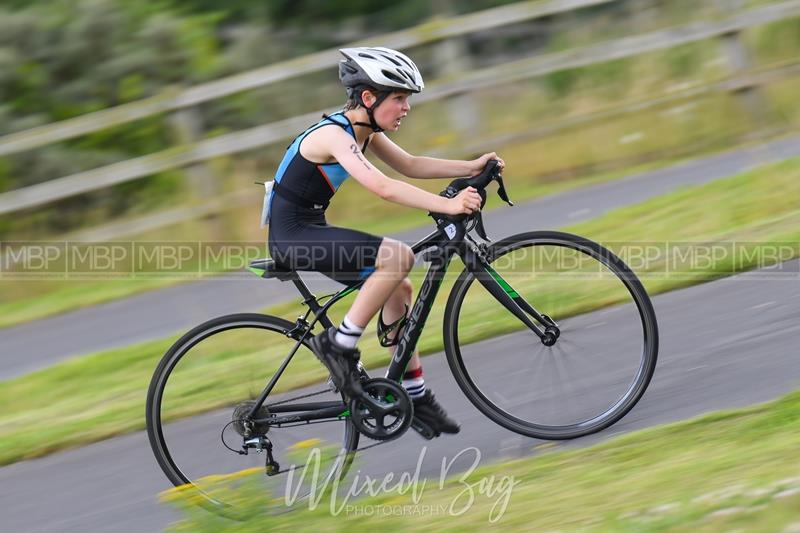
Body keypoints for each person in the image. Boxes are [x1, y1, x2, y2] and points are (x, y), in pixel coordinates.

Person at [267, 46, 505, 437]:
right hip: (294, 237)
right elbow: (382, 186)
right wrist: (448, 205)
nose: (405, 107)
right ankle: (338, 345)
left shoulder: (364, 131)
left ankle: (414, 395)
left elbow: (410, 165)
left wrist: (472, 165)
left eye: (406, 99)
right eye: (399, 98)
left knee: (400, 285)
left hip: (311, 229)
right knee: (397, 256)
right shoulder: (334, 134)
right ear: (368, 98)